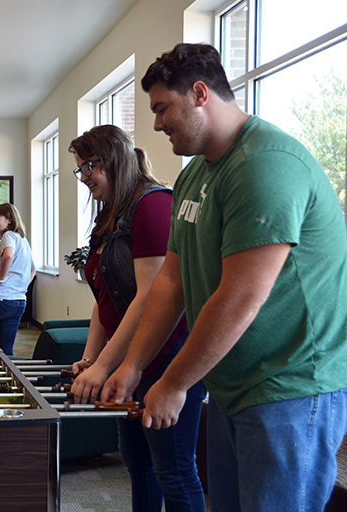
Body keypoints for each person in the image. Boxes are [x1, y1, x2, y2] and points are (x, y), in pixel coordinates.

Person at [102, 43, 347, 512]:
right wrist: (132, 366)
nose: (156, 124)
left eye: (161, 108)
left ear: (199, 93)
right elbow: (171, 283)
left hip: (290, 389)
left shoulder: (265, 165)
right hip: (231, 383)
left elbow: (238, 298)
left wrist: (172, 384)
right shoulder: (196, 174)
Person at [68, 125, 205, 511]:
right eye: (79, 170)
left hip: (166, 356)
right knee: (138, 464)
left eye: (87, 168)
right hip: (130, 359)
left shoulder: (154, 205)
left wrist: (112, 364)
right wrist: (94, 358)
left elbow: (151, 296)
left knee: (174, 471)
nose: (84, 179)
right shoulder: (110, 215)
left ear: (111, 160)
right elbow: (103, 296)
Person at [0, 203, 36, 356]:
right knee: (6, 350)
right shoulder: (23, 240)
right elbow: (33, 268)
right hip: (18, 302)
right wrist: (22, 286)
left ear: (9, 220)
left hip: (0, 300)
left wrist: (3, 279)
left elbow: (8, 255)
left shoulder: (9, 235)